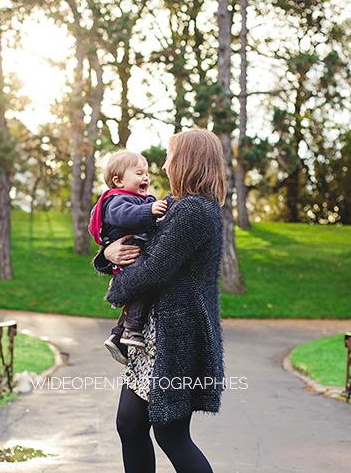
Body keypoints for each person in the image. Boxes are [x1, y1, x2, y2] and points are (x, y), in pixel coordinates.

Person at [93, 128, 225, 473]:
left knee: (171, 435)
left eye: (169, 158)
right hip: (153, 336)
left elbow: (154, 268)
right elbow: (138, 244)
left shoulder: (195, 211)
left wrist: (116, 291)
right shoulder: (177, 205)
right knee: (130, 425)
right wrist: (107, 253)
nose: (164, 167)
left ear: (187, 161)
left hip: (176, 338)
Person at [88, 150, 168, 365]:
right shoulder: (117, 200)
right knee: (145, 280)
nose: (146, 178)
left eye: (146, 174)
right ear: (118, 181)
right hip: (130, 251)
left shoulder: (138, 199)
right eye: (139, 173)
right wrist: (149, 210)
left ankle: (118, 335)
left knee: (143, 286)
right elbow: (125, 216)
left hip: (136, 251)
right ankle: (132, 330)